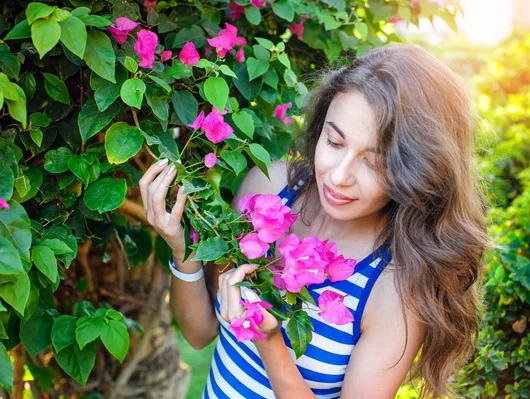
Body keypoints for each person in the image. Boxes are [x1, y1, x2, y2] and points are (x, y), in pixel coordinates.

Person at [139, 42, 495, 399]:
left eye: (373, 161)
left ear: (416, 171)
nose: (339, 176)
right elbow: (199, 333)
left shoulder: (396, 289)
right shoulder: (268, 189)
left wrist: (270, 341)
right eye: (335, 142)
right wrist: (182, 247)